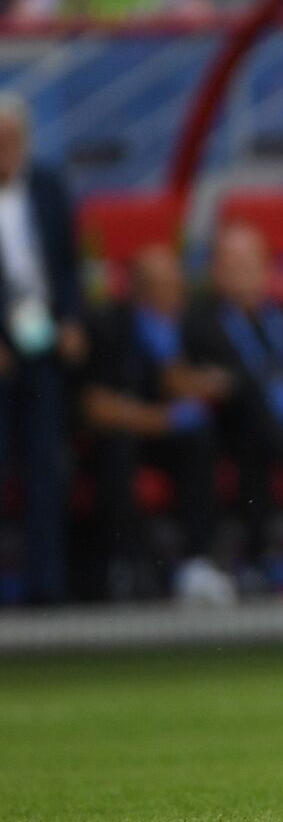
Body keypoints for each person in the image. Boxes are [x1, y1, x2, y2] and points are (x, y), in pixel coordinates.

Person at [83, 245, 235, 604]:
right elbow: (95, 406)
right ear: (137, 289)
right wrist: (160, 418)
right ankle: (131, 564)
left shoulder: (191, 325)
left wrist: (180, 374)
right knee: (116, 448)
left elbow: (218, 383)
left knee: (200, 437)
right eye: (157, 286)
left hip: (167, 440)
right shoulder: (108, 325)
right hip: (124, 437)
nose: (169, 296)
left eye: (174, 286)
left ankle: (198, 562)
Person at [182, 222, 283, 580]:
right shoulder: (200, 319)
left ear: (267, 268)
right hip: (232, 425)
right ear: (215, 270)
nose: (242, 273)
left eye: (250, 263)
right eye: (231, 264)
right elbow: (212, 379)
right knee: (251, 416)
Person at [0, 91, 85, 605]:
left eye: (13, 140)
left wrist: (72, 320)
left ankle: (46, 583)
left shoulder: (49, 187)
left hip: (43, 338)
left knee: (46, 461)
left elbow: (69, 266)